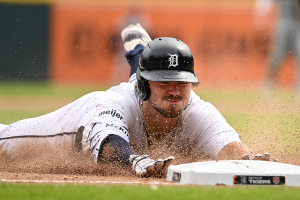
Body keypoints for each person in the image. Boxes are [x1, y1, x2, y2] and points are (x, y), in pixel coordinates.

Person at [0, 24, 274, 178]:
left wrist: (249, 159)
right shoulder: (115, 103)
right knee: (5, 145)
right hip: (78, 127)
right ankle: (138, 52)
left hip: (140, 84)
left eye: (182, 82)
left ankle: (138, 52)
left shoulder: (197, 109)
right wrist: (133, 160)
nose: (175, 90)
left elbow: (226, 143)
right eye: (164, 81)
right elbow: (109, 142)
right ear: (144, 84)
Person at [254, 0, 300, 94]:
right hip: (283, 21)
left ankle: (298, 87)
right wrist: (261, 14)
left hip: (297, 22)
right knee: (278, 56)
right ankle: (269, 83)